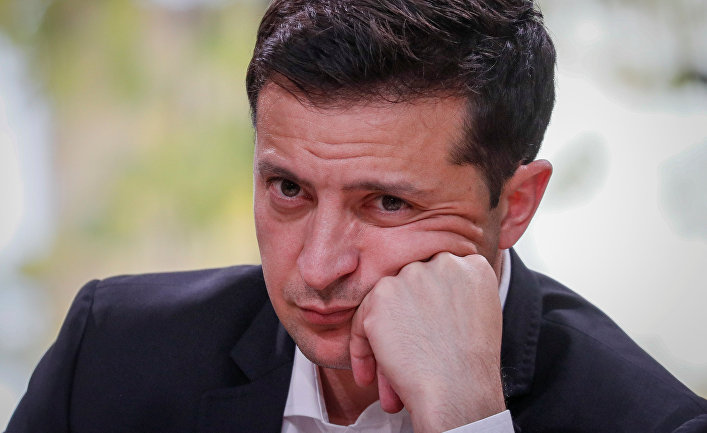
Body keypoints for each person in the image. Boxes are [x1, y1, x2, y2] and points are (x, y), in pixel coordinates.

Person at [6, 0, 707, 432]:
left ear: (515, 204)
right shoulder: (112, 355)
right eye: (288, 189)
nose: (316, 268)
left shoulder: (649, 420)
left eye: (388, 203)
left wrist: (468, 421)